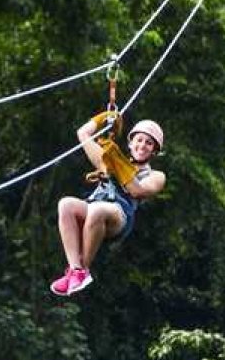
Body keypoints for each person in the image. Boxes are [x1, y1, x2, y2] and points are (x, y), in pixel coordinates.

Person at [50, 111, 167, 296]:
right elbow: (83, 134)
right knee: (66, 204)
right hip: (96, 203)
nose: (142, 145)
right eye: (139, 140)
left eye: (148, 143)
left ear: (154, 151)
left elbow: (137, 190)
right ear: (130, 143)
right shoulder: (110, 159)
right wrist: (103, 117)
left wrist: (117, 164)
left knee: (97, 211)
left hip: (120, 215)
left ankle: (83, 271)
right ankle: (74, 269)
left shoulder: (156, 176)